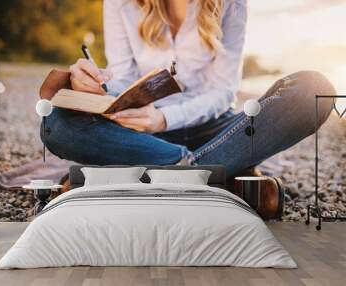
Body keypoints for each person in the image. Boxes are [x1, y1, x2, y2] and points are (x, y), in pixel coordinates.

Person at [41, 0, 335, 178]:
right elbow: (123, 78)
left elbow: (222, 92)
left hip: (214, 128)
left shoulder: (230, 3)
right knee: (55, 124)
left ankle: (180, 167)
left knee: (313, 89)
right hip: (141, 133)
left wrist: (165, 118)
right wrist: (94, 85)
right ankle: (211, 168)